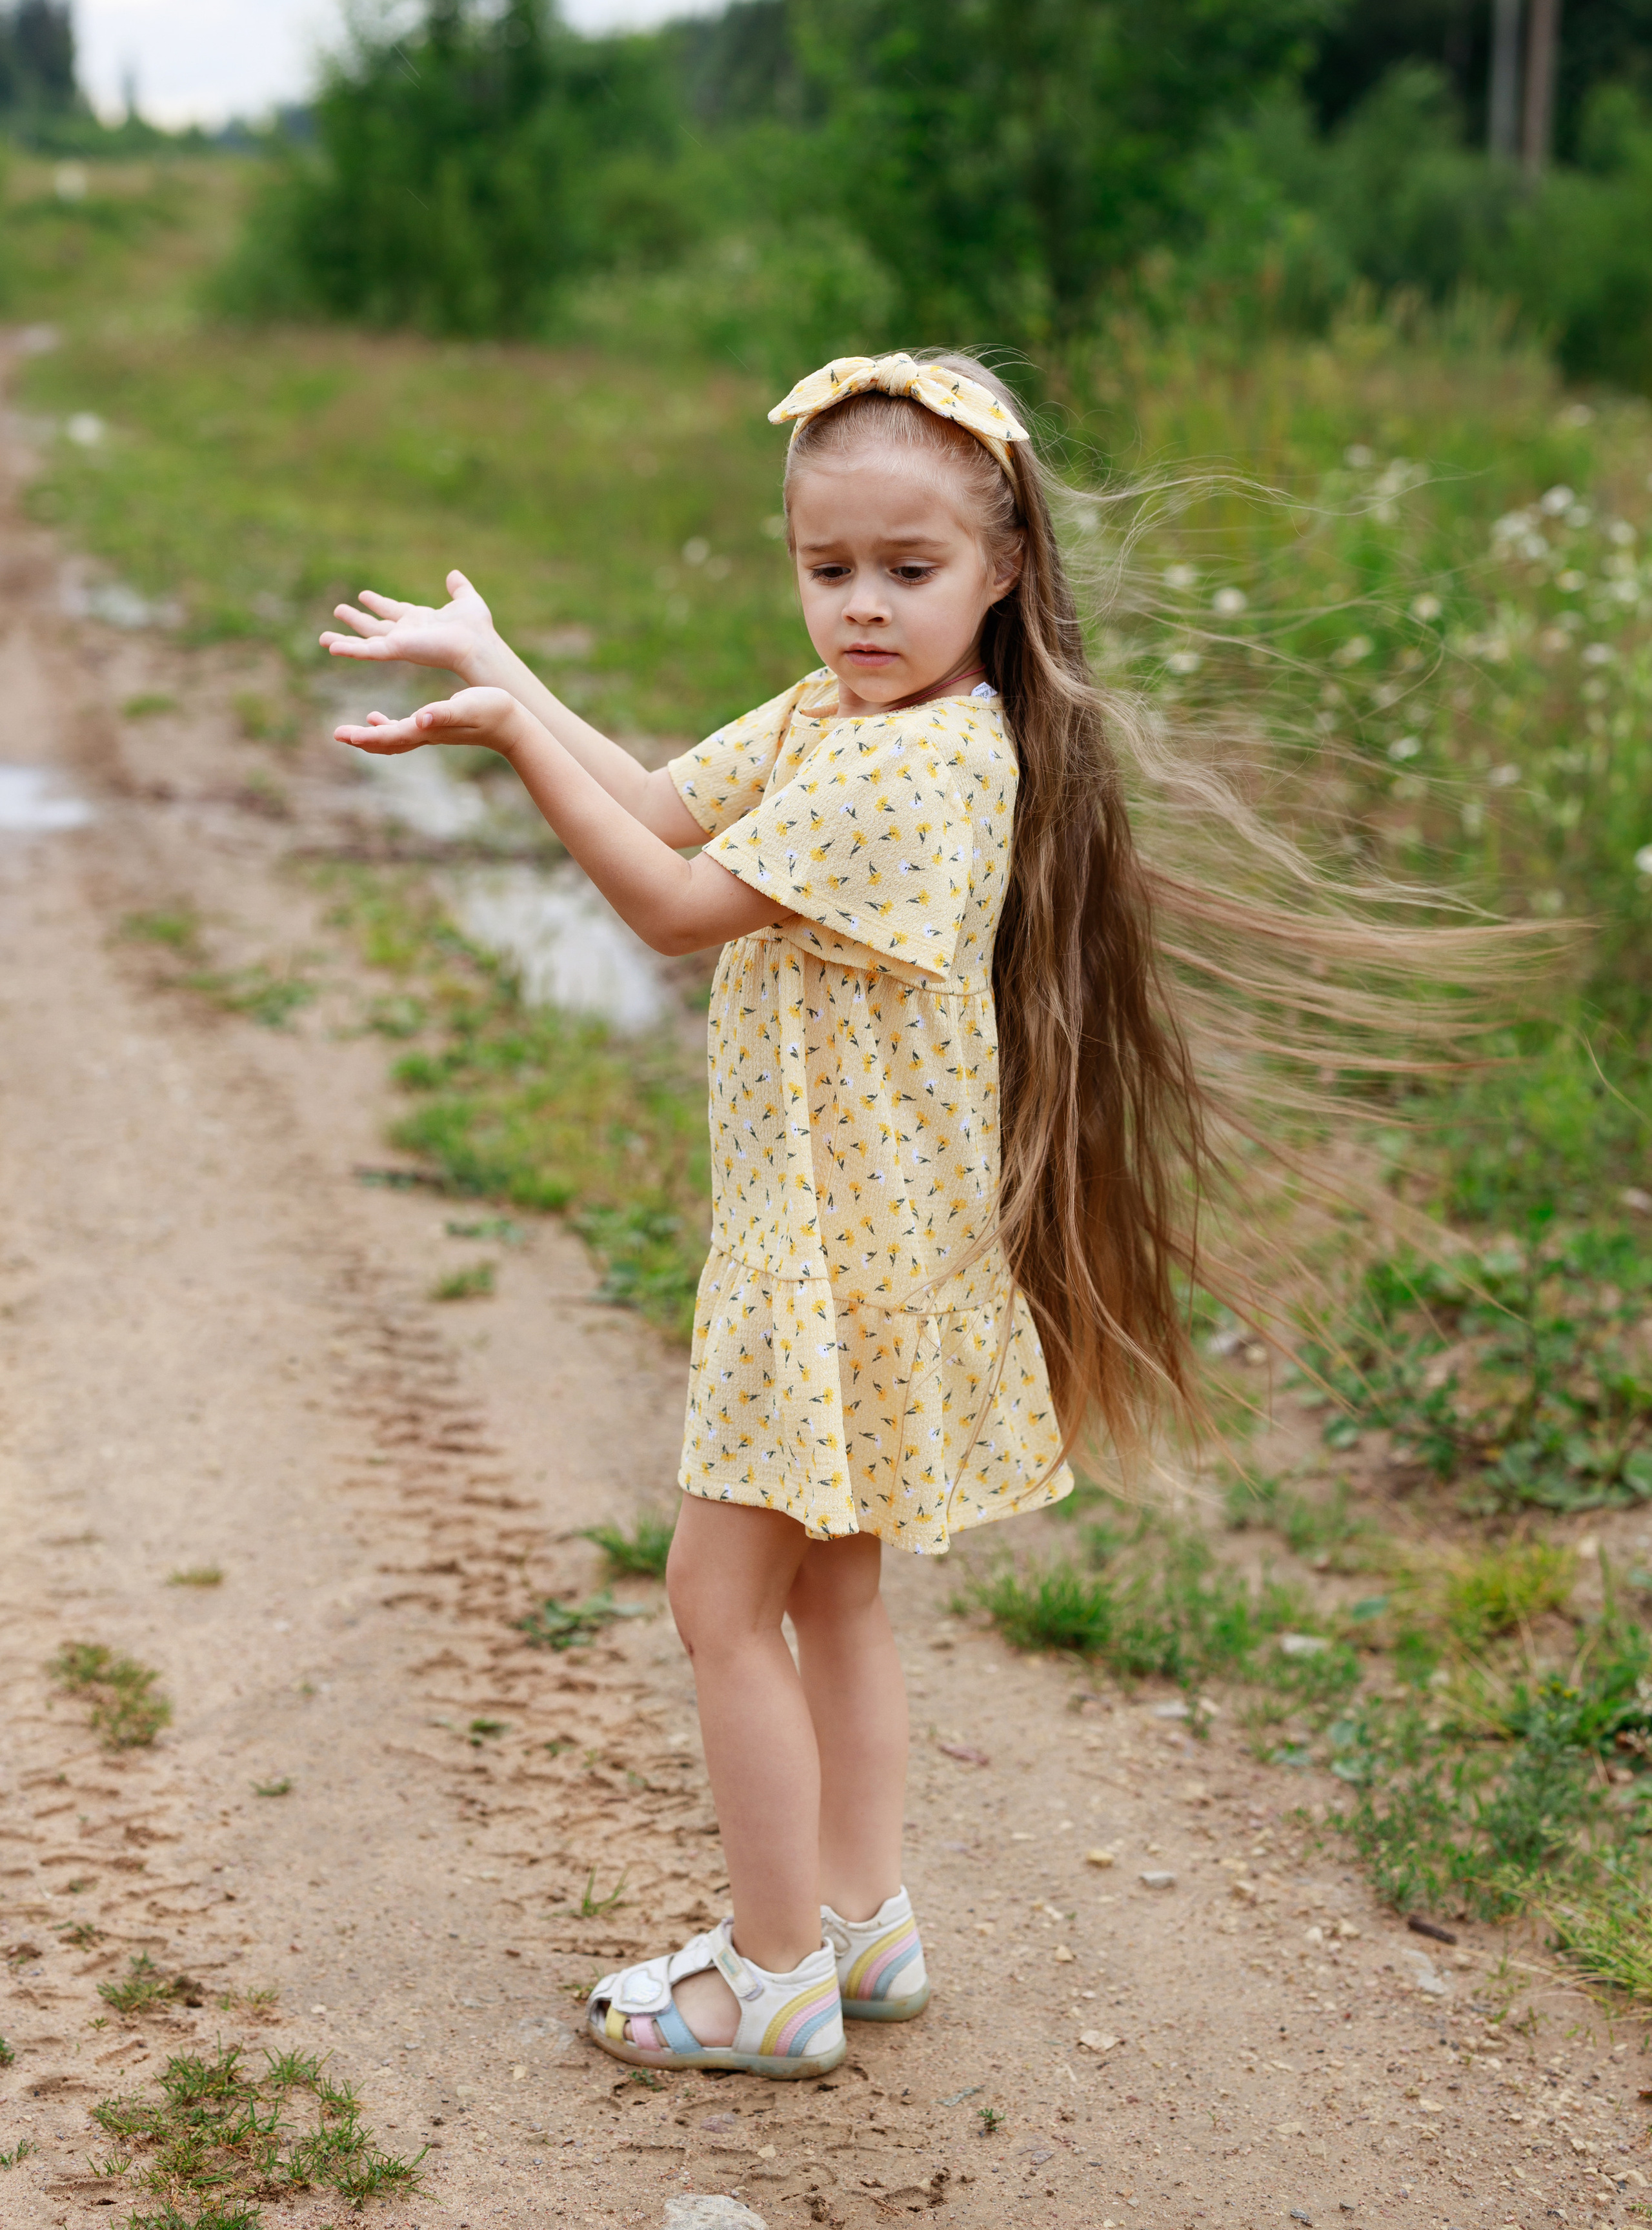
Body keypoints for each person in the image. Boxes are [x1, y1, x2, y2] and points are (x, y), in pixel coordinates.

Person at [320, 349, 1507, 2079]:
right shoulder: (847, 719)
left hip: (831, 1266)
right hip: (870, 1250)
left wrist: (506, 732)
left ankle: (773, 1971)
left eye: (908, 570)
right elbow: (661, 803)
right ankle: (862, 1929)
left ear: (1008, 564)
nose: (861, 607)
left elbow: (661, 901)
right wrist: (511, 671)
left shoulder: (920, 771)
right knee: (834, 1602)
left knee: (719, 1604)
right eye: (827, 571)